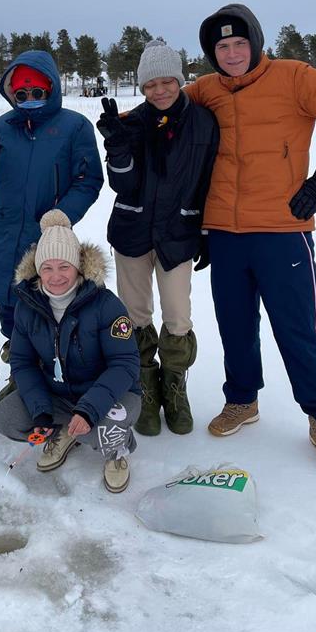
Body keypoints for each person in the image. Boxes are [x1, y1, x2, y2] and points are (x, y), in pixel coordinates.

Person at [184, 3, 316, 471]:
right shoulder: (205, 90)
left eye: (239, 43)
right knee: (235, 326)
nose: (231, 54)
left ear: (255, 43)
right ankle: (242, 400)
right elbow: (162, 108)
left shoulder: (294, 78)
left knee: (297, 329)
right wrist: (121, 126)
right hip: (225, 234)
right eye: (221, 47)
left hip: (282, 230)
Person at [96, 39, 219, 437]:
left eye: (167, 81)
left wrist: (205, 232)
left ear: (180, 80)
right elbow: (123, 184)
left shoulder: (204, 122)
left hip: (178, 233)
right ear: (142, 87)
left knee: (178, 315)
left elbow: (208, 182)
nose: (160, 91)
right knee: (134, 315)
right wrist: (117, 145)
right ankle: (145, 386)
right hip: (132, 231)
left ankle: (174, 385)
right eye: (151, 85)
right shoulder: (130, 122)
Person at [0, 50, 103, 389]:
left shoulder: (74, 127)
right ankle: (20, 375)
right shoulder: (2, 127)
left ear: (51, 88)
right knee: (8, 307)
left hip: (48, 237)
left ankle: (50, 378)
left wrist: (62, 214)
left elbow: (89, 180)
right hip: (3, 233)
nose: (28, 100)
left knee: (47, 309)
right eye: (21, 94)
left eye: (36, 92)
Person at [0, 210, 141, 492]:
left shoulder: (106, 305)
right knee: (5, 418)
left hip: (110, 395)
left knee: (107, 426)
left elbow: (125, 365)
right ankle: (63, 430)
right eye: (47, 267)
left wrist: (89, 409)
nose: (56, 276)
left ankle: (116, 451)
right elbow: (23, 363)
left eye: (64, 266)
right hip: (59, 394)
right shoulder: (28, 306)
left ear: (78, 267)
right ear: (37, 270)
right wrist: (41, 412)